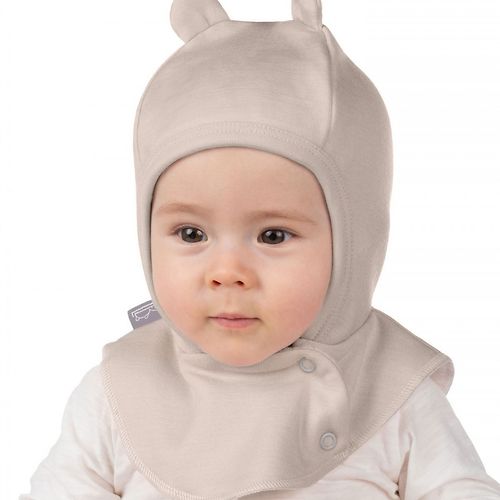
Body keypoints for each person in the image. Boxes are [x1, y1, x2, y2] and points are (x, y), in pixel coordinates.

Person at [20, 0, 500, 498]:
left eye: (273, 235)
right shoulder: (117, 394)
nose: (227, 272)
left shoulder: (393, 394)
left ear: (354, 242)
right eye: (191, 234)